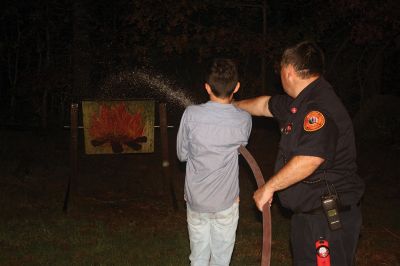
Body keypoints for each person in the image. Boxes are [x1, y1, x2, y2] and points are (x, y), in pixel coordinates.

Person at [235, 41, 365, 265]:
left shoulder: (318, 108)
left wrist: (269, 187)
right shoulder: (299, 103)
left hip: (325, 222)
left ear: (289, 71)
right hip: (310, 218)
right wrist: (232, 106)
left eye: (281, 70)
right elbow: (265, 105)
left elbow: (310, 159)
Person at [177, 58, 252, 266]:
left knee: (198, 258)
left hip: (196, 201)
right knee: (221, 260)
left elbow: (182, 155)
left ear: (207, 87)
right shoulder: (244, 119)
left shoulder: (190, 114)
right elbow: (240, 146)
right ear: (236, 87)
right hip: (226, 203)